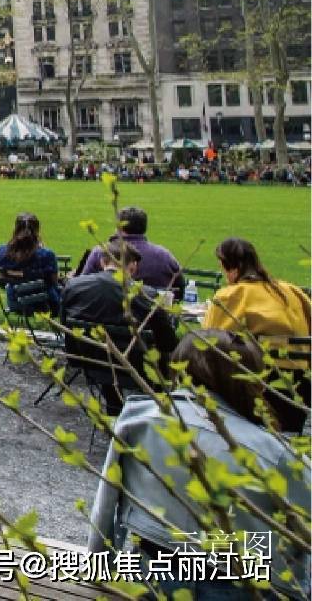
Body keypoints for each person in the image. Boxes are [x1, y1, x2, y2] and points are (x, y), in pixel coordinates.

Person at [87, 331, 308, 598]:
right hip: (242, 585)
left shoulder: (139, 418)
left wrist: (98, 565)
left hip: (153, 574)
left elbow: (105, 503)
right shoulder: (275, 453)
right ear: (253, 380)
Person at [61, 237, 180, 413]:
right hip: (135, 368)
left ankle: (114, 407)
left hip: (90, 360)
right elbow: (168, 343)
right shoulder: (146, 295)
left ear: (103, 262)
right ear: (133, 266)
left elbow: (65, 324)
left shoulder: (73, 286)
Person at [204, 236, 311, 431]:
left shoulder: (233, 295)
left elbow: (209, 343)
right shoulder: (292, 292)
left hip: (256, 393)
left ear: (233, 268)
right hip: (300, 393)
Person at [78, 207, 184, 295]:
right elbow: (180, 287)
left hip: (109, 311)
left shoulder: (101, 252)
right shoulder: (164, 255)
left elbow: (82, 286)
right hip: (151, 312)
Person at [0, 212, 62, 316]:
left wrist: (20, 275)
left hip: (15, 302)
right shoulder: (46, 255)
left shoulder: (2, 251)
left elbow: (2, 277)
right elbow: (54, 282)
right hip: (43, 304)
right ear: (37, 231)